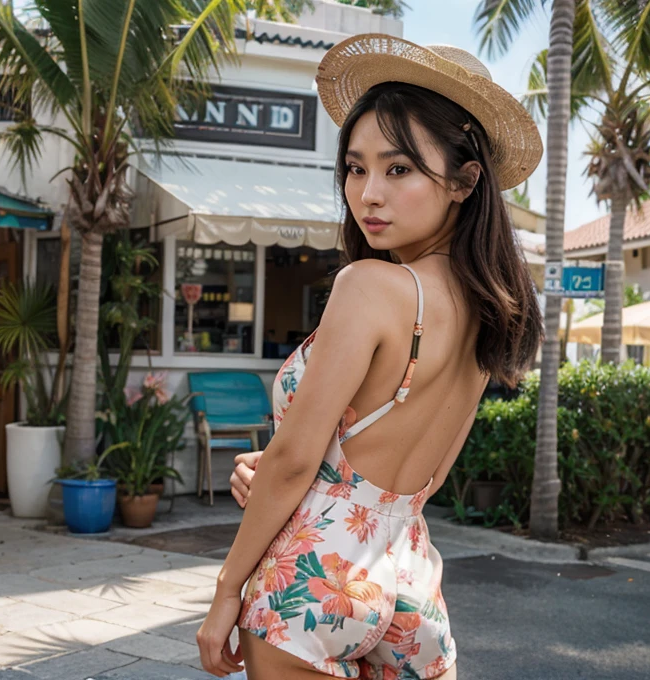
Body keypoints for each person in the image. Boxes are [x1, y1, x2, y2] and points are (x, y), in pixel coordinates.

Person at [195, 34, 544, 680]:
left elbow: (299, 458)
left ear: (466, 180)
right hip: (410, 582)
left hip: (316, 579)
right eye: (356, 168)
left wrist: (225, 591)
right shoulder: (490, 313)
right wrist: (277, 470)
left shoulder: (370, 286)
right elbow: (418, 476)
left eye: (399, 168)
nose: (368, 194)